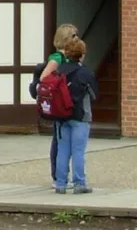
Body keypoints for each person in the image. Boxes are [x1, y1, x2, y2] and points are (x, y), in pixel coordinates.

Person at [33, 23, 78, 182]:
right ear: (66, 38)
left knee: (61, 139)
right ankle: (57, 175)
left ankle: (61, 174)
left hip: (63, 102)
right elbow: (44, 79)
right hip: (58, 104)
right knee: (58, 140)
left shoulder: (66, 57)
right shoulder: (57, 58)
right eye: (74, 36)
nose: (77, 38)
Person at [54, 36, 98, 194]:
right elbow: (94, 94)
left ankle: (60, 184)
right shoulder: (85, 72)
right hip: (80, 116)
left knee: (63, 149)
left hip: (61, 116)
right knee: (78, 150)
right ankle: (79, 183)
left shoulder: (59, 71)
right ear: (82, 54)